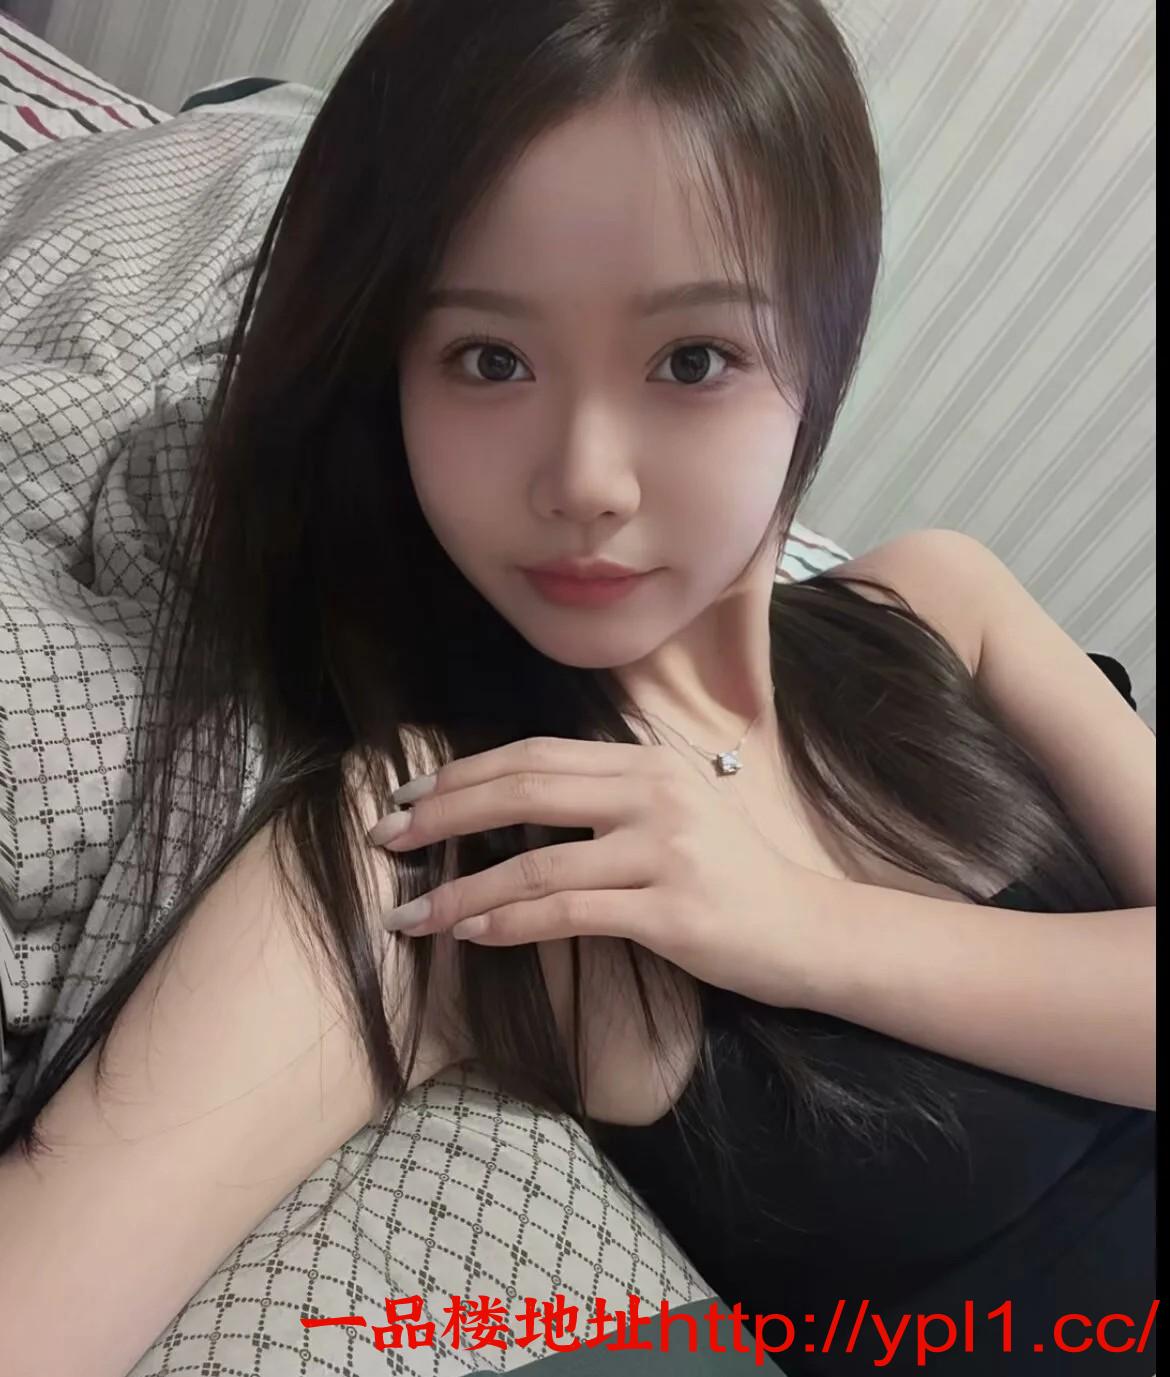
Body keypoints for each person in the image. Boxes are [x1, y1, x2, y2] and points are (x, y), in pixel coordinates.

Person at [0, 2, 1155, 1374]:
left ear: (820, 346)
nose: (587, 480)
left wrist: (801, 924)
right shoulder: (450, 837)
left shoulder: (939, 604)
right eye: (488, 360)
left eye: (692, 359)